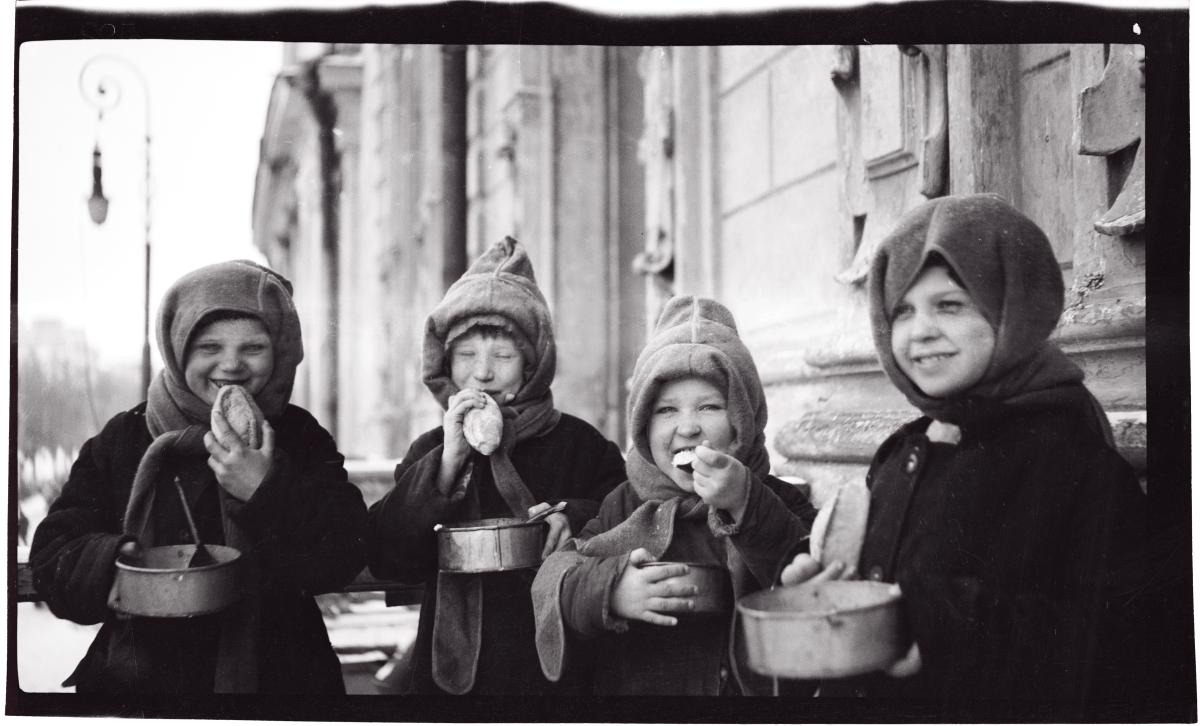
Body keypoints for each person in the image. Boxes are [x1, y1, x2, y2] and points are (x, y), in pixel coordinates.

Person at [780, 194, 1148, 711]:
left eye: (949, 305)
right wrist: (814, 578)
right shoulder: (900, 454)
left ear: (1012, 310)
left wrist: (936, 634)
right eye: (901, 311)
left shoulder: (1075, 464)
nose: (920, 330)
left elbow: (1113, 646)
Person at [30, 260, 367, 694]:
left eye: (253, 348)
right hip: (145, 686)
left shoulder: (298, 436)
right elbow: (54, 549)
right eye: (209, 347)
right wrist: (113, 563)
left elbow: (347, 548)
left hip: (280, 681)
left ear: (281, 352)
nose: (232, 365)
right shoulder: (125, 437)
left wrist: (265, 489)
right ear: (177, 349)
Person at [365, 237, 626, 695]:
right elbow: (390, 552)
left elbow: (623, 512)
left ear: (532, 366)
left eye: (502, 357)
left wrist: (575, 517)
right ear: (444, 365)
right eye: (466, 356)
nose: (482, 373)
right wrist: (446, 464)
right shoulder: (431, 448)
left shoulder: (578, 443)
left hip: (557, 663)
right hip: (450, 674)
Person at [531, 295, 816, 695]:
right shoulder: (622, 504)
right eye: (666, 411)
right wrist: (611, 590)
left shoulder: (778, 499)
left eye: (709, 407)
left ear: (742, 423)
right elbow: (556, 576)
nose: (688, 428)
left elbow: (811, 582)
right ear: (644, 427)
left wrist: (744, 502)